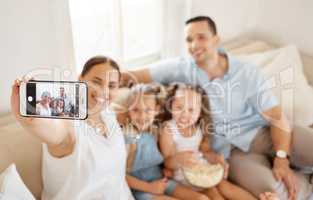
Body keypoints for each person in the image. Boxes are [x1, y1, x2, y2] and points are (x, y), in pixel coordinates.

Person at [121, 16, 313, 199]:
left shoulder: (246, 73)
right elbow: (133, 76)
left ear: (216, 40)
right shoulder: (182, 69)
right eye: (189, 40)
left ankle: (300, 167)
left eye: (201, 37)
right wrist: (101, 86)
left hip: (265, 133)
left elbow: (276, 116)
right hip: (235, 155)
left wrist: (282, 157)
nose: (194, 45)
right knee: (275, 194)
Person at [11, 56, 134, 199]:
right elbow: (58, 134)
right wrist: (33, 122)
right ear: (81, 79)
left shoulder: (109, 114)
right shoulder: (69, 122)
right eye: (96, 81)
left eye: (111, 86)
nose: (104, 91)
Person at [160, 83, 264, 200]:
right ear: (170, 106)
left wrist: (217, 159)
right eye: (179, 107)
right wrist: (178, 159)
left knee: (226, 187)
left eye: (191, 110)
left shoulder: (199, 128)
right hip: (183, 174)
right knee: (213, 194)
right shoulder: (168, 129)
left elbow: (205, 152)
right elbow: (167, 161)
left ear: (200, 112)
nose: (184, 114)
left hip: (201, 168)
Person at [123, 84, 209, 200]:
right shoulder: (129, 138)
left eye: (148, 110)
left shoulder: (155, 131)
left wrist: (165, 170)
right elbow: (120, 175)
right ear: (128, 109)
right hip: (142, 190)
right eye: (135, 110)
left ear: (157, 109)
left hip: (161, 181)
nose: (142, 116)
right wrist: (149, 187)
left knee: (202, 198)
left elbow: (160, 158)